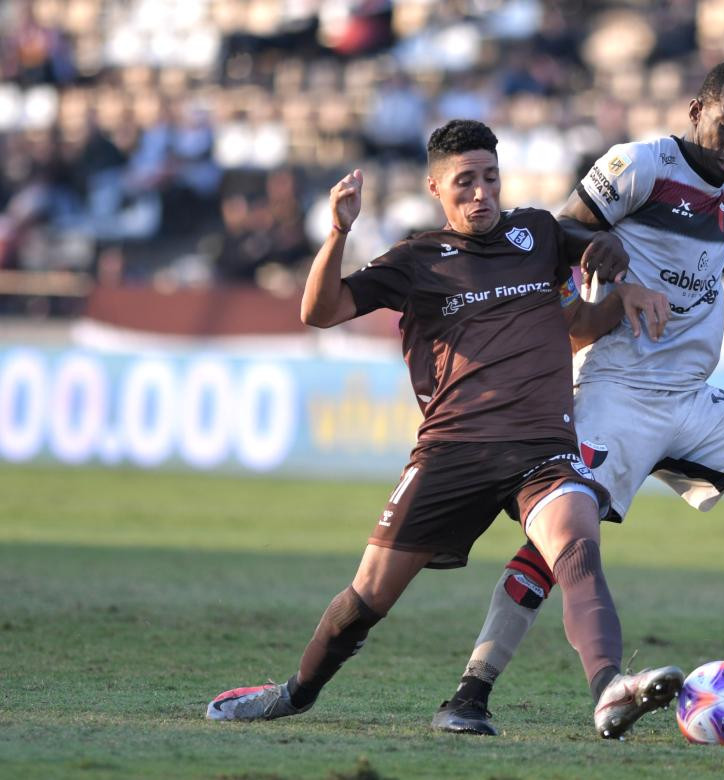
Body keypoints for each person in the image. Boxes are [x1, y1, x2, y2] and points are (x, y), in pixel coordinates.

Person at [205, 119, 681, 739]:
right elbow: (318, 312)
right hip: (452, 451)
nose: (481, 193)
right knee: (368, 596)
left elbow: (591, 259)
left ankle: (609, 688)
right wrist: (338, 230)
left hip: (542, 448)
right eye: (465, 182)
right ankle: (296, 693)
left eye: (490, 178)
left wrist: (623, 277)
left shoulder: (535, 232)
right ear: (436, 188)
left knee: (578, 546)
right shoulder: (417, 260)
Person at [432, 61, 724, 737]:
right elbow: (556, 229)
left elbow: (718, 244)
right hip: (619, 391)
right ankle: (470, 692)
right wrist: (604, 252)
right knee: (566, 536)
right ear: (697, 110)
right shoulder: (639, 165)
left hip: (691, 400)